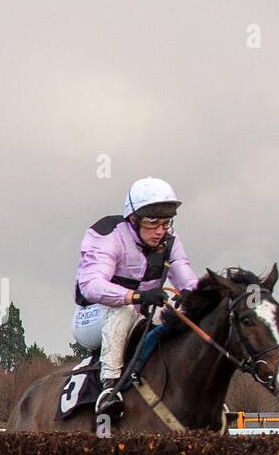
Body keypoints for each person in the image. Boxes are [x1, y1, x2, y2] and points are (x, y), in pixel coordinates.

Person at [73, 177, 198, 418]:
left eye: (166, 222)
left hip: (140, 315)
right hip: (92, 317)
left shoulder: (170, 240)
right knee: (125, 310)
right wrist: (137, 296)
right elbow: (91, 285)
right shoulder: (108, 235)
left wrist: (194, 296)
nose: (160, 231)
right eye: (153, 222)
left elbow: (187, 279)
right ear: (133, 218)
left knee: (181, 314)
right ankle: (109, 389)